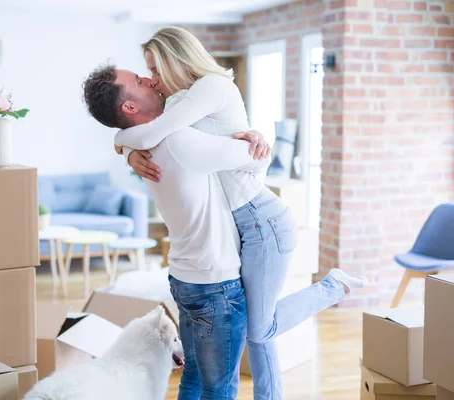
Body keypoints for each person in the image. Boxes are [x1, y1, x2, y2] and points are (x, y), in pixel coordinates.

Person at [106, 27, 367, 400]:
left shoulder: (211, 87)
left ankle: (332, 286)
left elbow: (153, 133)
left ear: (175, 59)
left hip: (261, 219)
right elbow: (152, 131)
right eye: (147, 72)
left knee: (259, 330)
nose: (152, 79)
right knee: (255, 332)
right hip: (241, 225)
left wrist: (121, 142)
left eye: (155, 69)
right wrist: (124, 148)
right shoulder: (180, 101)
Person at [83, 65, 269, 399]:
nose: (151, 80)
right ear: (129, 107)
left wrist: (123, 145)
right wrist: (255, 138)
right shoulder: (179, 141)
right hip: (215, 282)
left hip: (185, 277)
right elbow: (258, 160)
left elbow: (135, 136)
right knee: (220, 387)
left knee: (195, 377)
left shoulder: (151, 144)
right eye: (140, 81)